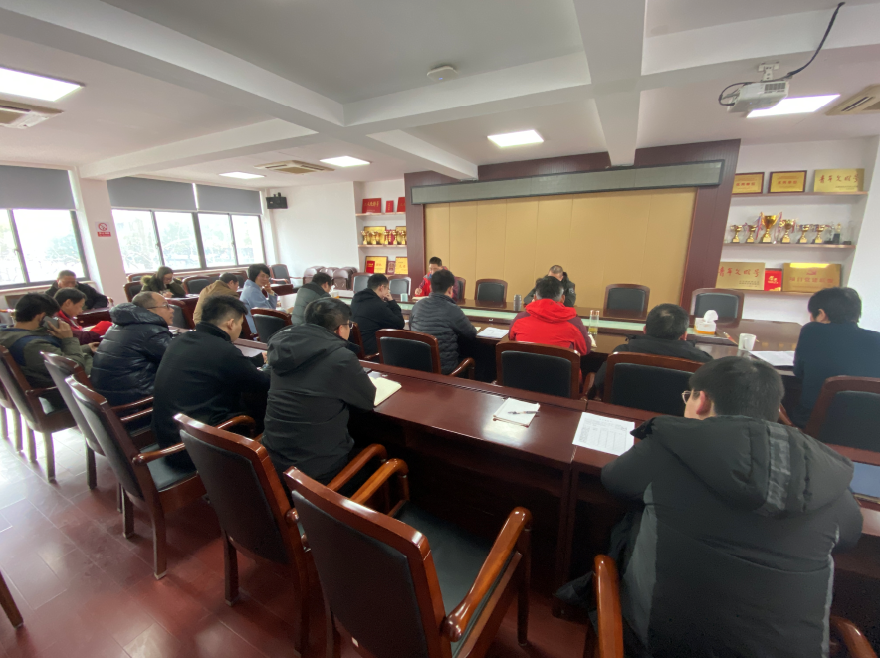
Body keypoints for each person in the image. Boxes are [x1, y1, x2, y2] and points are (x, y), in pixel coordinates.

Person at [600, 356, 862, 658]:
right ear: (774, 409)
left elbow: (615, 480)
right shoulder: (826, 472)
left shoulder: (672, 443)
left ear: (701, 400)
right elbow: (849, 536)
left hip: (661, 644)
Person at [262, 298, 376, 485]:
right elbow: (366, 402)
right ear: (340, 329)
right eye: (349, 325)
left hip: (273, 461)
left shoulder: (282, 348)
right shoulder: (340, 357)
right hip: (317, 473)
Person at [151, 296, 269, 468]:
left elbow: (218, 364)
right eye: (240, 323)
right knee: (261, 408)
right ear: (231, 324)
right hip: (196, 449)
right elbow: (262, 383)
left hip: (170, 437)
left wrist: (257, 360)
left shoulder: (182, 340)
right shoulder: (223, 350)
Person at [792, 287, 880, 427]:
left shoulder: (812, 330)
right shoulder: (877, 339)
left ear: (821, 314)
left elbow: (798, 372)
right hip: (868, 428)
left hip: (814, 425)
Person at [593, 303, 713, 393]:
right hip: (678, 418)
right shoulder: (703, 362)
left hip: (623, 414)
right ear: (684, 335)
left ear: (644, 329)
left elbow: (600, 383)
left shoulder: (622, 353)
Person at [91, 292, 174, 407]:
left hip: (114, 398)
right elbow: (182, 361)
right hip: (138, 405)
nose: (172, 310)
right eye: (166, 306)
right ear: (149, 311)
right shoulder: (151, 332)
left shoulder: (117, 326)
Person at [0, 293, 93, 393]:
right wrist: (69, 338)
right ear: (42, 317)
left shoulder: (9, 335)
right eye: (53, 317)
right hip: (69, 390)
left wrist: (87, 347)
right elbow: (75, 367)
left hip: (60, 381)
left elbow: (57, 354)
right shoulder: (32, 345)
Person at [410, 269, 476, 375]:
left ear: (430, 288)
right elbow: (472, 333)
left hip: (418, 368)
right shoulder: (452, 309)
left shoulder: (417, 306)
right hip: (444, 372)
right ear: (450, 290)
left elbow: (411, 327)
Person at [509, 276, 589, 357]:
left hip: (524, 365)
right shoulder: (574, 323)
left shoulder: (520, 319)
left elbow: (511, 338)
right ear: (562, 299)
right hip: (559, 365)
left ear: (535, 298)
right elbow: (585, 349)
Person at [350, 273, 405, 355]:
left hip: (354, 349)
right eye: (387, 289)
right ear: (381, 288)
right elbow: (400, 324)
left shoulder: (356, 299)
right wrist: (391, 301)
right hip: (371, 352)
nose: (388, 292)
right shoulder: (378, 305)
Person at [239, 263, 278, 334]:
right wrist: (285, 311)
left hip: (261, 326)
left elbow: (271, 309)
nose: (265, 279)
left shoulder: (253, 288)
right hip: (259, 331)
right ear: (254, 275)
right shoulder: (252, 291)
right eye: (262, 276)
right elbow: (267, 314)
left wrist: (270, 292)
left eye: (267, 276)